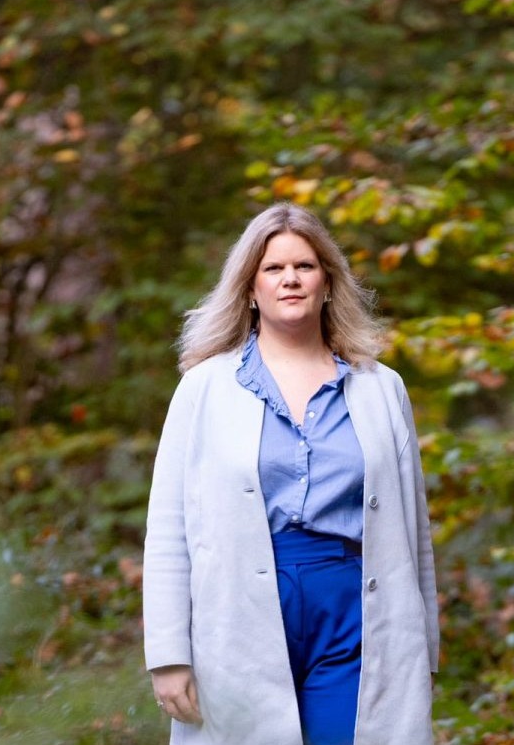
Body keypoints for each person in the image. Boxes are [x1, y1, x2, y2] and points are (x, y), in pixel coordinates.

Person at [143, 202, 439, 745]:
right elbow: (168, 531)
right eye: (273, 269)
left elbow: (414, 531)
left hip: (352, 610)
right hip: (239, 609)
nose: (290, 280)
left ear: (328, 281)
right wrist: (167, 654)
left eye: (304, 266)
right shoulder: (205, 388)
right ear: (250, 288)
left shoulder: (380, 388)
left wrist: (426, 650)